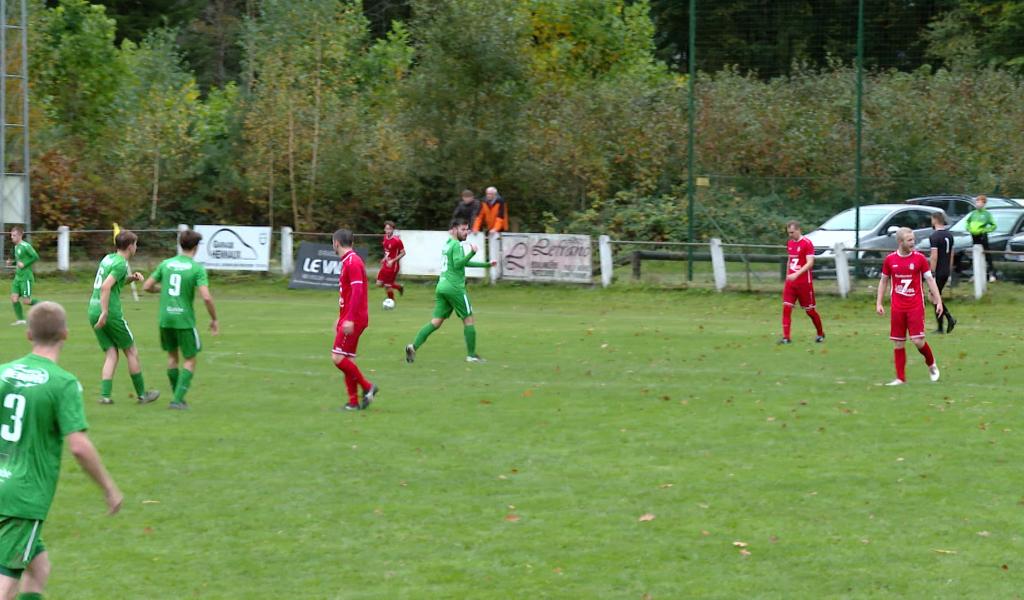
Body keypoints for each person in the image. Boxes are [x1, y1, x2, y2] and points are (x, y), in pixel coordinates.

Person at [0, 302, 123, 600]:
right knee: (5, 585)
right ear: (66, 334)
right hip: (22, 500)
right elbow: (79, 447)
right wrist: (109, 489)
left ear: (29, 334)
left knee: (38, 568)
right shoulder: (63, 383)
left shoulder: (3, 372)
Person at [142, 229, 219, 409]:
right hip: (183, 319)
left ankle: (178, 398)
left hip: (165, 318)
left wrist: (161, 290)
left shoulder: (166, 264)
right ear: (196, 247)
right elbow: (206, 297)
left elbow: (146, 286)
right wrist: (214, 319)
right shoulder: (196, 268)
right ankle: (177, 400)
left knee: (172, 357)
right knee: (190, 359)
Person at [406, 218, 496, 364]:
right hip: (455, 288)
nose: (466, 232)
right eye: (462, 229)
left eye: (467, 229)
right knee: (468, 319)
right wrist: (472, 253)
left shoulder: (448, 244)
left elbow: (461, 263)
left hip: (442, 286)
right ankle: (471, 355)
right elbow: (459, 263)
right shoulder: (456, 245)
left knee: (436, 322)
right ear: (454, 230)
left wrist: (486, 265)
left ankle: (413, 346)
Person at [88, 230, 160, 405]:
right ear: (130, 247)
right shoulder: (120, 263)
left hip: (92, 309)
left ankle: (105, 396)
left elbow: (112, 281)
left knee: (111, 353)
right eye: (136, 244)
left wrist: (131, 278)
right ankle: (142, 395)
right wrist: (105, 312)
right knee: (131, 351)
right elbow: (106, 287)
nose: (136, 247)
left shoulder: (108, 258)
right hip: (109, 313)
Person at [875, 227, 943, 386]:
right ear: (900, 242)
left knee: (918, 341)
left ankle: (931, 363)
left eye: (913, 239)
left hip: (915, 306)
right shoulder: (890, 260)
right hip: (897, 307)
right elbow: (883, 281)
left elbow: (930, 280)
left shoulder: (919, 259)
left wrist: (938, 300)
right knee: (898, 342)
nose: (913, 243)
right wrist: (879, 302)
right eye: (909, 240)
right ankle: (900, 378)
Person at [331, 229, 378, 411]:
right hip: (350, 317)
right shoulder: (349, 261)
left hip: (355, 319)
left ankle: (368, 387)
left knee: (337, 358)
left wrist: (349, 319)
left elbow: (358, 292)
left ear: (336, 243)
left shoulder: (353, 262)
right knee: (347, 359)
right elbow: (349, 294)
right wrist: (341, 317)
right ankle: (353, 402)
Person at [778, 221, 825, 344]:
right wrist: (788, 275)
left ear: (799, 230)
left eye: (792, 232)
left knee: (810, 311)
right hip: (791, 283)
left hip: (804, 283)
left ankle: (820, 333)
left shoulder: (807, 243)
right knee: (786, 308)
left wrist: (796, 274)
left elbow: (810, 263)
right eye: (789, 233)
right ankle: (786, 337)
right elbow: (790, 259)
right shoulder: (790, 243)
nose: (790, 235)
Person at [927, 211, 957, 334]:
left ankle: (947, 321)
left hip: (938, 271)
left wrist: (931, 272)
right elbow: (952, 254)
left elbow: (934, 256)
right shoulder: (949, 235)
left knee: (933, 296)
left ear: (935, 220)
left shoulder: (934, 237)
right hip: (945, 271)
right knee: (935, 296)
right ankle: (945, 323)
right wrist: (948, 269)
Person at [8, 225, 40, 326]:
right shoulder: (16, 247)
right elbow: (19, 262)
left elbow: (35, 257)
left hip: (26, 278)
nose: (12, 237)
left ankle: (45, 305)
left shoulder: (26, 246)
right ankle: (21, 320)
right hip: (18, 278)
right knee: (14, 298)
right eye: (11, 235)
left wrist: (25, 264)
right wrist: (12, 263)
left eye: (14, 235)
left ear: (20, 235)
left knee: (27, 301)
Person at [964, 194, 997, 282]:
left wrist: (985, 230)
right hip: (974, 236)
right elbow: (967, 221)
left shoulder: (986, 214)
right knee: (975, 255)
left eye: (979, 202)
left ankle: (992, 274)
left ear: (984, 203)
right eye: (977, 202)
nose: (977, 204)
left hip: (982, 236)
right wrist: (968, 228)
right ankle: (976, 274)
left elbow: (993, 225)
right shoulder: (973, 213)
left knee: (987, 255)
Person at [376, 221, 406, 303]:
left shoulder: (397, 240)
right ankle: (399, 287)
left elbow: (403, 253)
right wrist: (384, 258)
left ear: (393, 229)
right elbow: (387, 251)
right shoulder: (385, 237)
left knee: (387, 285)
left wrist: (393, 260)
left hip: (393, 266)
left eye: (389, 229)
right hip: (386, 264)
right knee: (379, 284)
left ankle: (391, 302)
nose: (387, 230)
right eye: (386, 229)